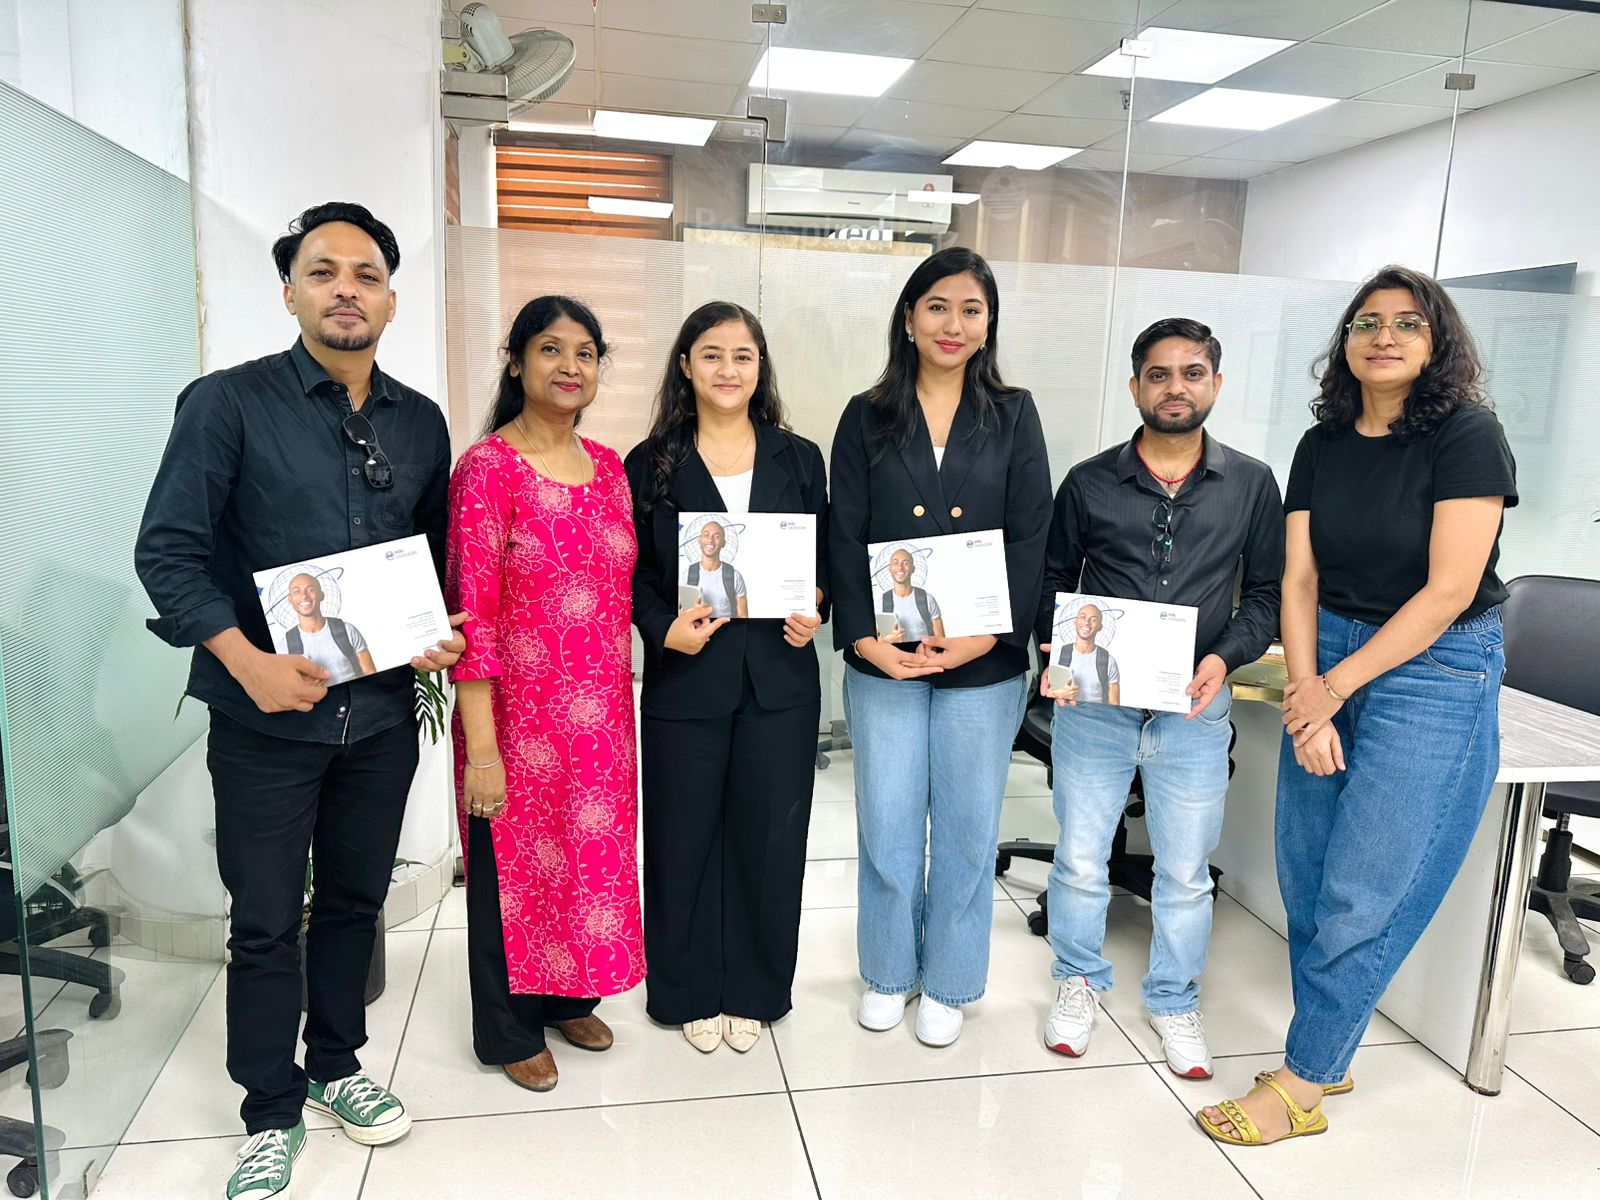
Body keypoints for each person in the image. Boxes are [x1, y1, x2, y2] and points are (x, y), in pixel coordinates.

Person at [135, 202, 465, 1200]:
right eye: (323, 273)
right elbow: (168, 553)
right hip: (265, 723)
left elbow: (427, 559)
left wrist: (434, 632)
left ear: (392, 301)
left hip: (380, 718)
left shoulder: (419, 422)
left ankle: (333, 1065)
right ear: (290, 294)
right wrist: (246, 661)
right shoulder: (226, 406)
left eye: (366, 275)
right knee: (267, 922)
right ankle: (269, 1111)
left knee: (355, 902)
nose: (345, 290)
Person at [1200, 267, 1517, 1146]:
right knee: (1306, 874)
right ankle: (1328, 1049)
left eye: (1407, 323)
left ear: (1436, 342)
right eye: (1367, 322)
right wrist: (1309, 690)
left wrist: (1332, 690)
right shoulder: (1324, 442)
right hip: (1329, 648)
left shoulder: (1468, 435)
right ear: (1345, 343)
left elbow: (1448, 592)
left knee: (1364, 887)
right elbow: (1299, 580)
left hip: (1434, 667)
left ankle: (1303, 1082)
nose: (1384, 336)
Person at [1037, 318, 1283, 1080]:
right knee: (1080, 859)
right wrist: (1057, 651)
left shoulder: (1251, 485)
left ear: (1216, 383)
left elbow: (1267, 597)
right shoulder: (1088, 482)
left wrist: (1223, 658)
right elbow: (1051, 579)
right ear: (1135, 386)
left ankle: (1174, 998)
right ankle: (1077, 981)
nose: (1176, 387)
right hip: (1097, 708)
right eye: (1159, 374)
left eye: (1192, 372)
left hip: (1194, 711)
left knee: (1185, 872)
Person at [830, 246, 1051, 1048]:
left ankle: (952, 981)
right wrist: (862, 638)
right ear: (909, 318)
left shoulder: (1014, 413)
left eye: (972, 309)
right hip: (886, 658)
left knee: (965, 827)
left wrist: (987, 636)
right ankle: (889, 971)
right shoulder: (866, 415)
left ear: (989, 325)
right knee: (887, 825)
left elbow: (1031, 531)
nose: (954, 324)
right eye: (937, 306)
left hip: (982, 662)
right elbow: (844, 529)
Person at [447, 295, 643, 1093]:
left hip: (602, 721)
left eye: (585, 352)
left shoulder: (612, 469)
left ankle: (568, 996)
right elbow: (472, 619)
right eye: (551, 349)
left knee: (585, 863)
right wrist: (482, 752)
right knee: (512, 875)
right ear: (518, 362)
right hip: (515, 722)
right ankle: (507, 1028)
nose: (570, 366)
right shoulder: (488, 469)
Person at [626, 300, 827, 1053]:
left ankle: (755, 989)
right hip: (688, 678)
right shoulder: (650, 462)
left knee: (770, 839)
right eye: (711, 354)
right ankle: (684, 990)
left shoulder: (799, 458)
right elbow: (633, 573)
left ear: (760, 367)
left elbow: (825, 560)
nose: (728, 369)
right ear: (685, 366)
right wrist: (660, 628)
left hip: (780, 677)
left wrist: (818, 605)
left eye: (743, 356)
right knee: (682, 837)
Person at [280, 572, 376, 684]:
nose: (304, 596)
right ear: (290, 599)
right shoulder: (285, 645)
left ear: (321, 595)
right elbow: (287, 688)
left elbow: (370, 673)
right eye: (297, 591)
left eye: (310, 589)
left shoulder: (347, 630)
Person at [1053, 602, 1119, 706]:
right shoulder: (1057, 655)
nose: (1087, 623)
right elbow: (1049, 691)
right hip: (1066, 712)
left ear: (1100, 627)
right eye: (1083, 617)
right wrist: (1057, 693)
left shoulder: (1108, 661)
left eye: (1093, 620)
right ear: (1075, 622)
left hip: (1098, 713)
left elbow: (1114, 703)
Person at [879, 547, 944, 640]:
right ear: (890, 568)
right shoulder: (880, 603)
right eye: (896, 563)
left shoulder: (927, 600)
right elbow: (875, 644)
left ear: (913, 569)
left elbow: (941, 640)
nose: (900, 567)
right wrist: (887, 640)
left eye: (905, 563)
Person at [689, 520, 748, 619]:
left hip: (729, 628)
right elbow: (682, 616)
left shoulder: (734, 576)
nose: (710, 540)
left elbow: (743, 617)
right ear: (700, 540)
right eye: (706, 535)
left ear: (723, 543)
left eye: (716, 536)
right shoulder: (685, 575)